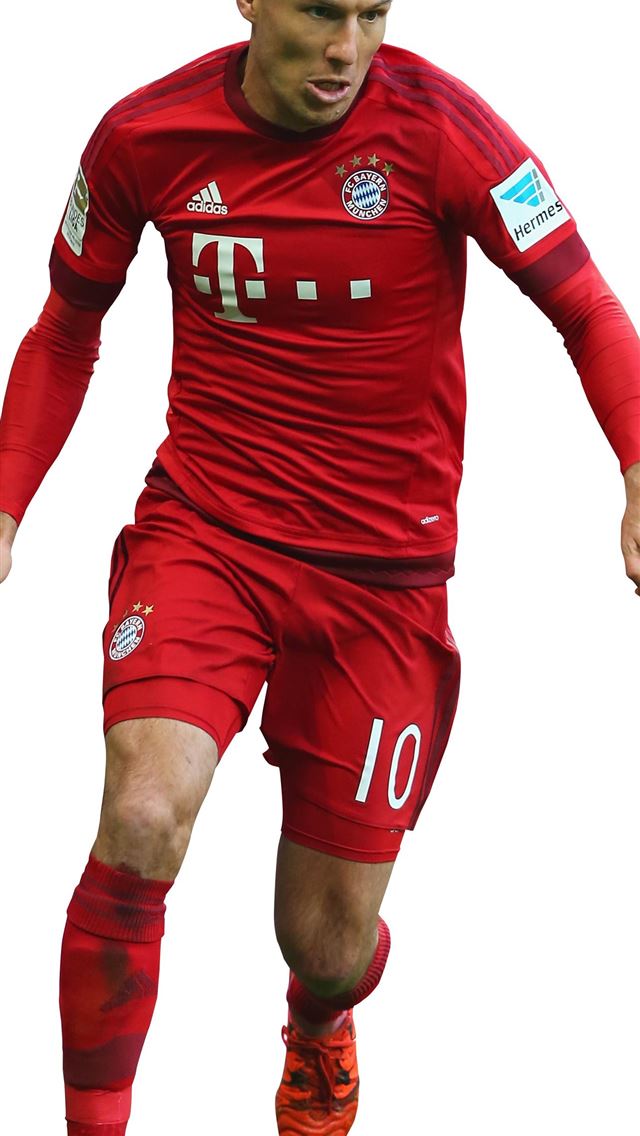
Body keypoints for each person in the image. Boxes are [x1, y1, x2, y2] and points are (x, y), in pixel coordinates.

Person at [1, 1, 639, 1134]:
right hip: (208, 533)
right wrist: (5, 501)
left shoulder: (446, 132)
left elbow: (585, 305)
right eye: (319, 10)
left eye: (371, 12)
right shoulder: (143, 137)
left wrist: (638, 462)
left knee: (326, 941)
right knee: (141, 814)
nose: (348, 47)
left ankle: (319, 1022)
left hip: (380, 582)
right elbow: (65, 327)